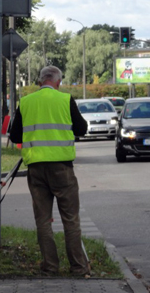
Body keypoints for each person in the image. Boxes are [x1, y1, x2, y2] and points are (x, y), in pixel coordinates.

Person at [9, 66, 90, 276]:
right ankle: (78, 267)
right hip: (62, 169)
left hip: (36, 169)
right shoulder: (65, 100)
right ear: (58, 82)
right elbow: (82, 129)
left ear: (39, 82)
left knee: (43, 220)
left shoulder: (26, 102)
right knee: (70, 219)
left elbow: (16, 136)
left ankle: (50, 267)